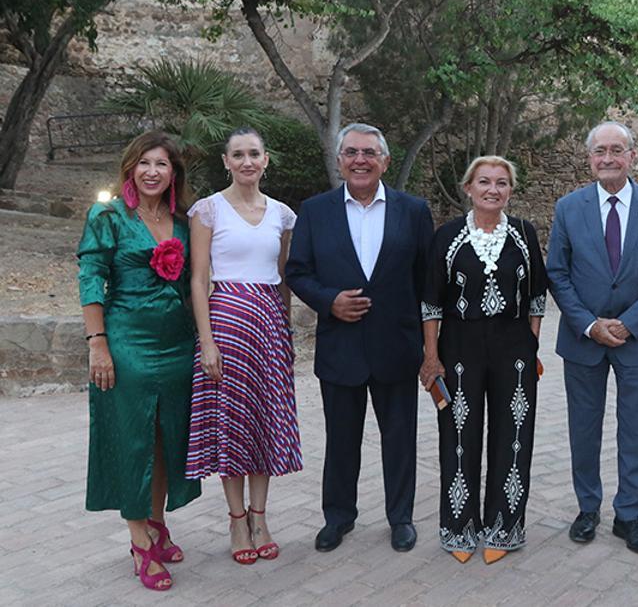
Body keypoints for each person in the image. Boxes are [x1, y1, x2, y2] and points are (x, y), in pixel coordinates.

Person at [285, 123, 434, 553]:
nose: (360, 160)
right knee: (341, 439)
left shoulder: (413, 210)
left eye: (369, 152)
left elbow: (427, 283)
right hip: (341, 346)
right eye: (351, 152)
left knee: (400, 439)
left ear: (385, 161)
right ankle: (338, 517)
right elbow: (297, 271)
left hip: (397, 347)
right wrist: (329, 301)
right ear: (339, 161)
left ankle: (401, 518)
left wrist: (431, 349)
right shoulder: (315, 211)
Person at [547, 120, 638, 556]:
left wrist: (631, 322)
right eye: (600, 151)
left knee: (636, 431)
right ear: (590, 158)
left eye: (616, 150)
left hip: (636, 339)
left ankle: (629, 516)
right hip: (583, 338)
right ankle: (588, 510)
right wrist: (589, 323)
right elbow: (558, 273)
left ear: (631, 156)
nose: (608, 158)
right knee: (584, 430)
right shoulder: (569, 207)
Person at [77, 130, 200, 591]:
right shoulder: (108, 216)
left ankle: (156, 520)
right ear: (131, 167)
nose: (152, 171)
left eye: (162, 164)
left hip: (175, 344)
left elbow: (195, 284)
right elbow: (91, 278)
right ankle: (138, 543)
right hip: (126, 341)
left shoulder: (183, 221)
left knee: (167, 439)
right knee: (134, 441)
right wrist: (98, 343)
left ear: (174, 173)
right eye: (144, 163)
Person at [418, 156, 548, 565]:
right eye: (485, 182)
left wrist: (531, 346)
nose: (493, 189)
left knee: (513, 436)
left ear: (511, 190)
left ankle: (505, 528)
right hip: (459, 346)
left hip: (514, 347)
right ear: (468, 187)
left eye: (502, 183)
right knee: (459, 438)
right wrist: (431, 356)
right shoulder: (448, 236)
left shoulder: (525, 234)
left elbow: (537, 296)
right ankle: (459, 527)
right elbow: (431, 303)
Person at [185, 127, 302, 565]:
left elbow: (284, 278)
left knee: (263, 422)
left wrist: (286, 332)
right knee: (232, 423)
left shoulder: (283, 215)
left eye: (254, 153)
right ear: (226, 161)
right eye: (239, 154)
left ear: (266, 160)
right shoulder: (208, 210)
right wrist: (207, 342)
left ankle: (260, 516)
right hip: (225, 325)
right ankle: (236, 520)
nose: (247, 161)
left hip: (269, 324)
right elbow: (198, 278)